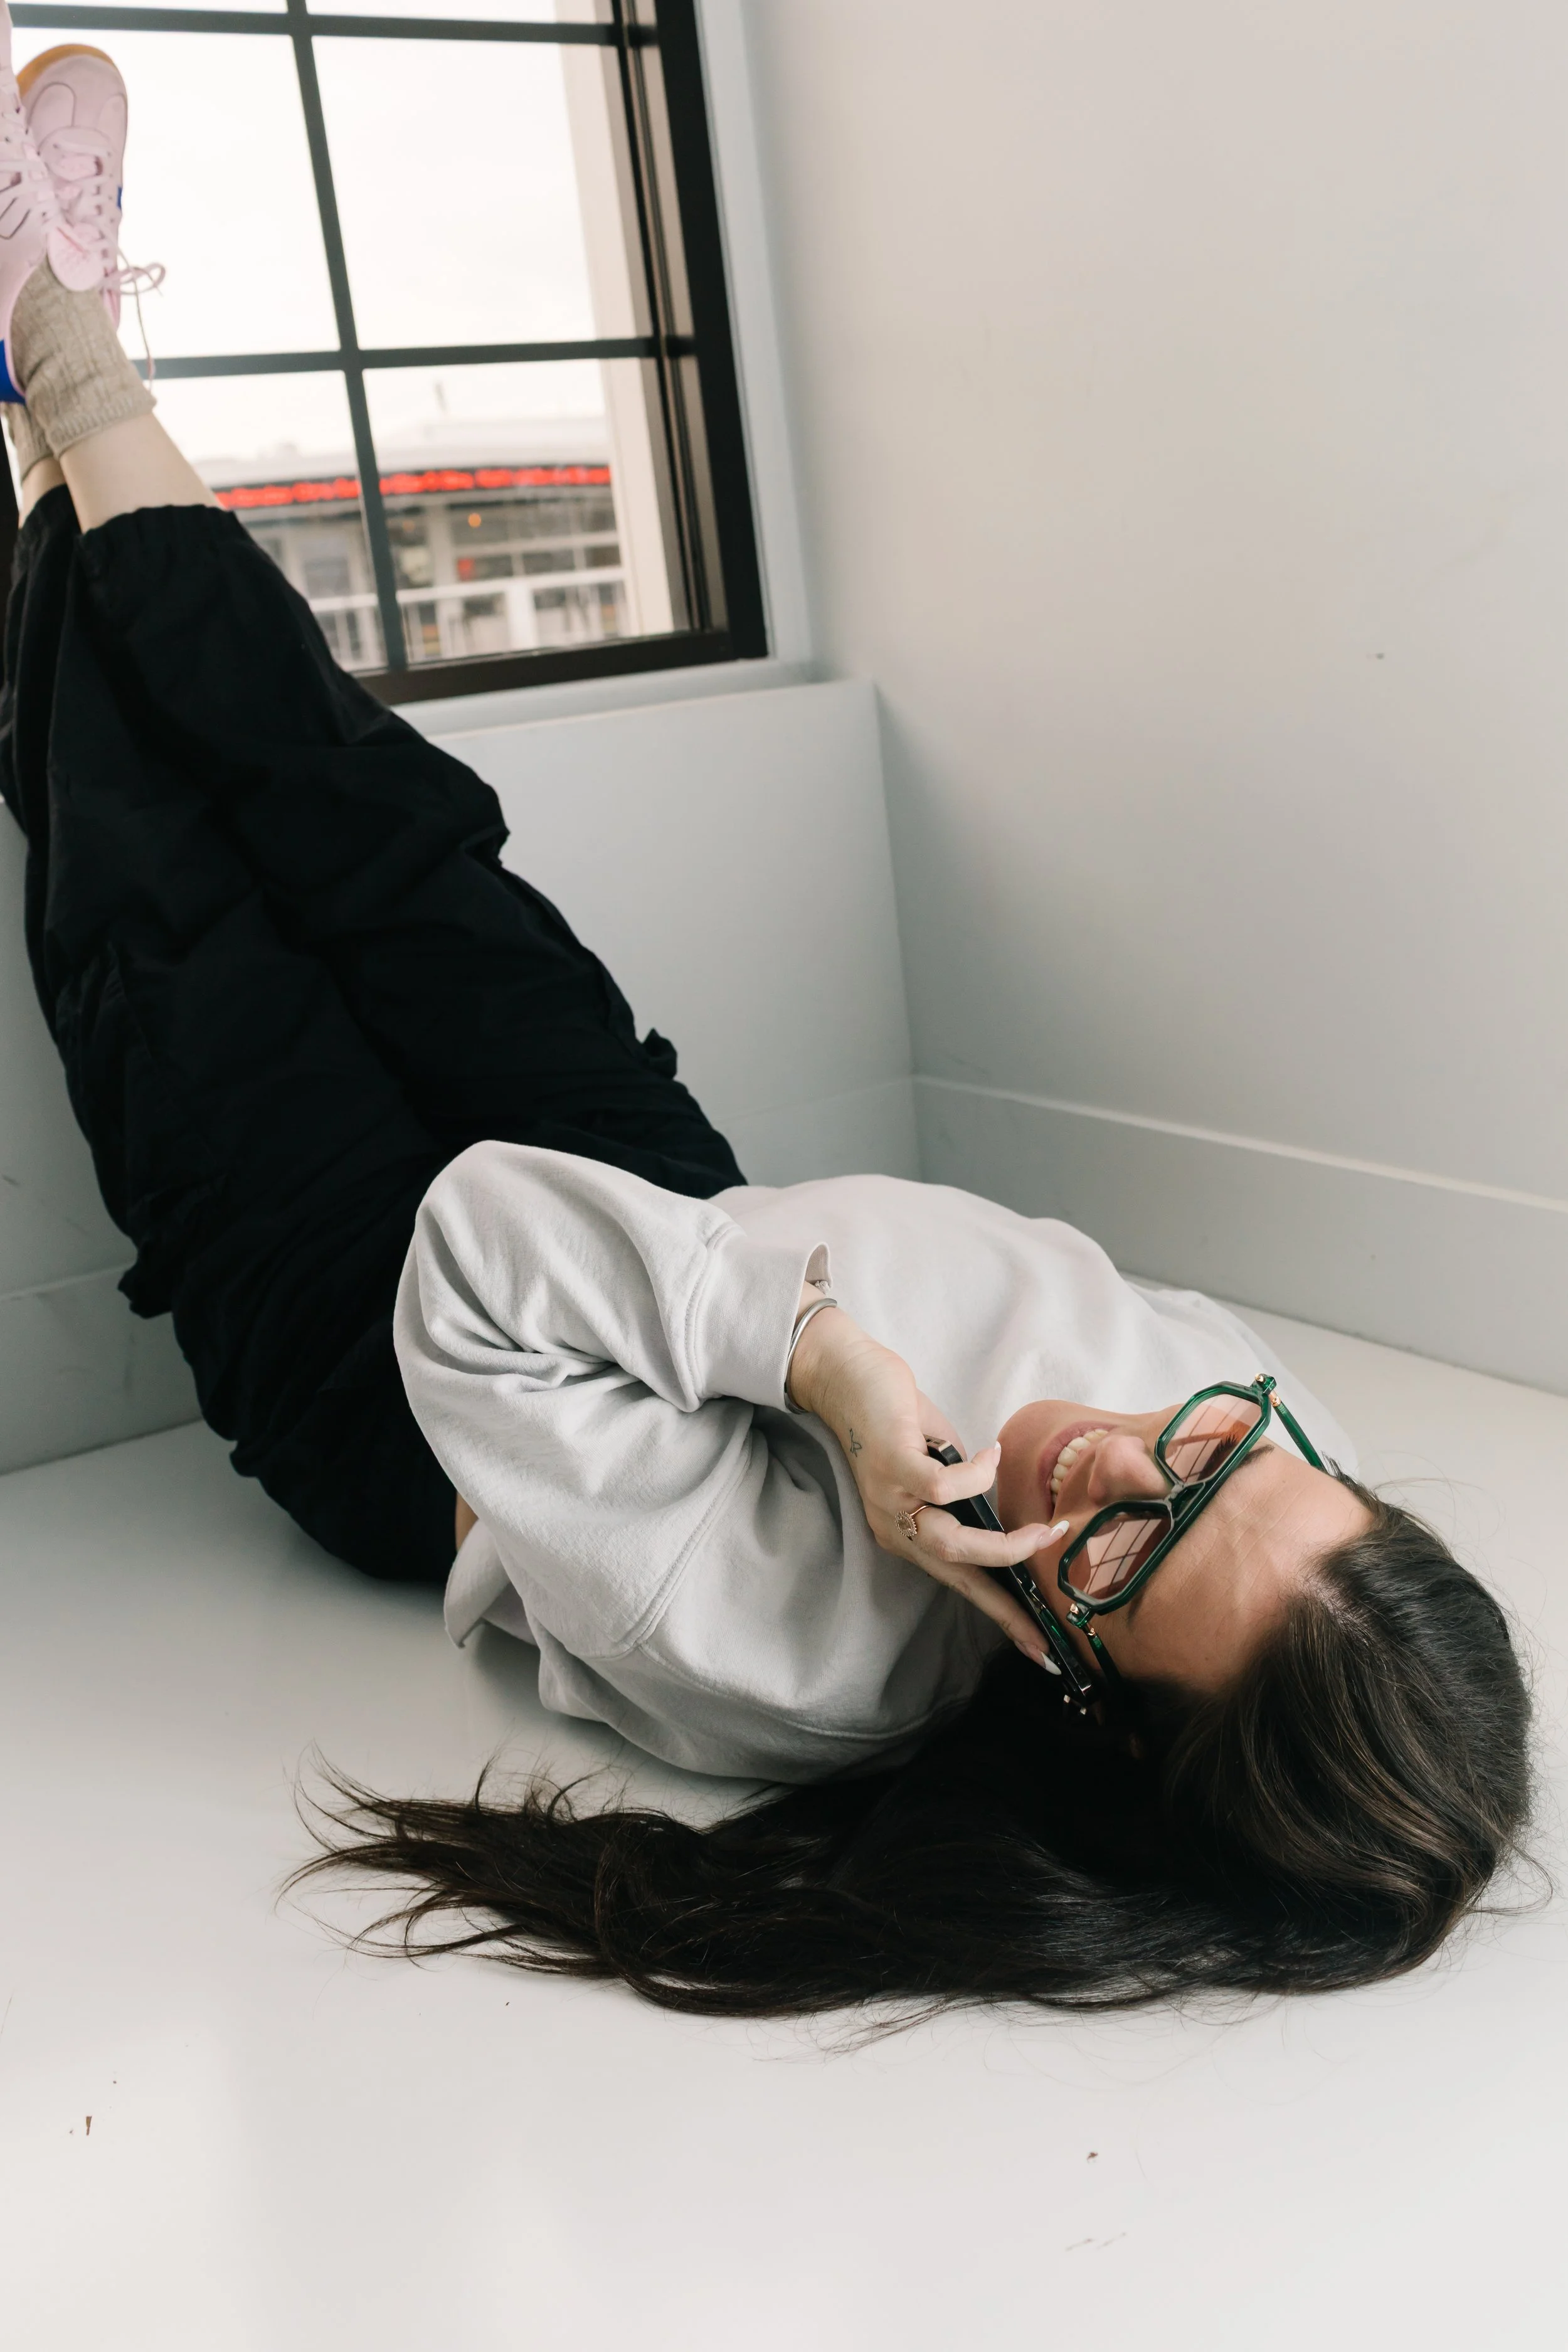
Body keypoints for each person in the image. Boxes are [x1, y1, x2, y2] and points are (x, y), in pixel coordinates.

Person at [0, 26, 1530, 2021]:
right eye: (1231, 1459)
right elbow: (1189, 1475)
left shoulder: (789, 1661)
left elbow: (475, 1244)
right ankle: (63, 349)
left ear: (1077, 1709)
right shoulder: (1246, 1463)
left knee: (153, 862)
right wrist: (808, 1319)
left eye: (1130, 1558)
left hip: (413, 1369)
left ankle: (45, 362)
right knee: (359, 806)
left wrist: (828, 1381)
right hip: (679, 1203)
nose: (1126, 1452)